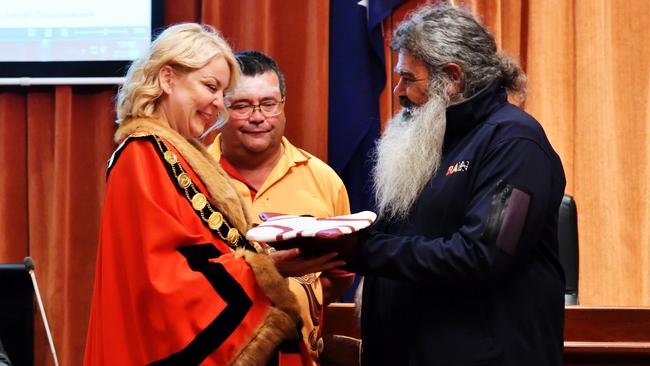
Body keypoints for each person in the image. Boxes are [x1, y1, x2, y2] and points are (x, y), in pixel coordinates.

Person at [84, 23, 344, 365]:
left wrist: (266, 265)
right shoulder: (142, 154)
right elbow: (161, 282)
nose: (219, 104)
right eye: (211, 87)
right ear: (167, 79)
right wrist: (263, 270)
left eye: (223, 93)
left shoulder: (173, 152)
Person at [347, 4, 566, 366]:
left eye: (408, 78)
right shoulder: (425, 140)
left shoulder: (515, 144)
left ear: (452, 78)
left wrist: (363, 251)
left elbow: (481, 256)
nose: (398, 90)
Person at [208, 50, 355, 365]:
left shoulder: (324, 180)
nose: (258, 116)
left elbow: (341, 275)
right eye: (243, 105)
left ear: (283, 104)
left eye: (268, 103)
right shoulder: (191, 178)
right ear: (220, 107)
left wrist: (302, 296)